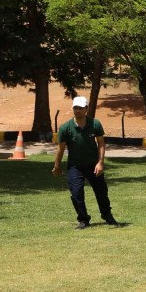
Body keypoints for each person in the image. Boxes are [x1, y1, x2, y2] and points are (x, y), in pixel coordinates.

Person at [52, 96, 117, 229]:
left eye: (81, 108)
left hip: (93, 164)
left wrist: (100, 163)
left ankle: (107, 215)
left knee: (101, 192)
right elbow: (60, 148)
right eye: (75, 108)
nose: (78, 110)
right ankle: (83, 219)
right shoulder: (65, 128)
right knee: (76, 193)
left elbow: (101, 144)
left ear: (86, 109)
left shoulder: (95, 124)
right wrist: (57, 166)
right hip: (75, 167)